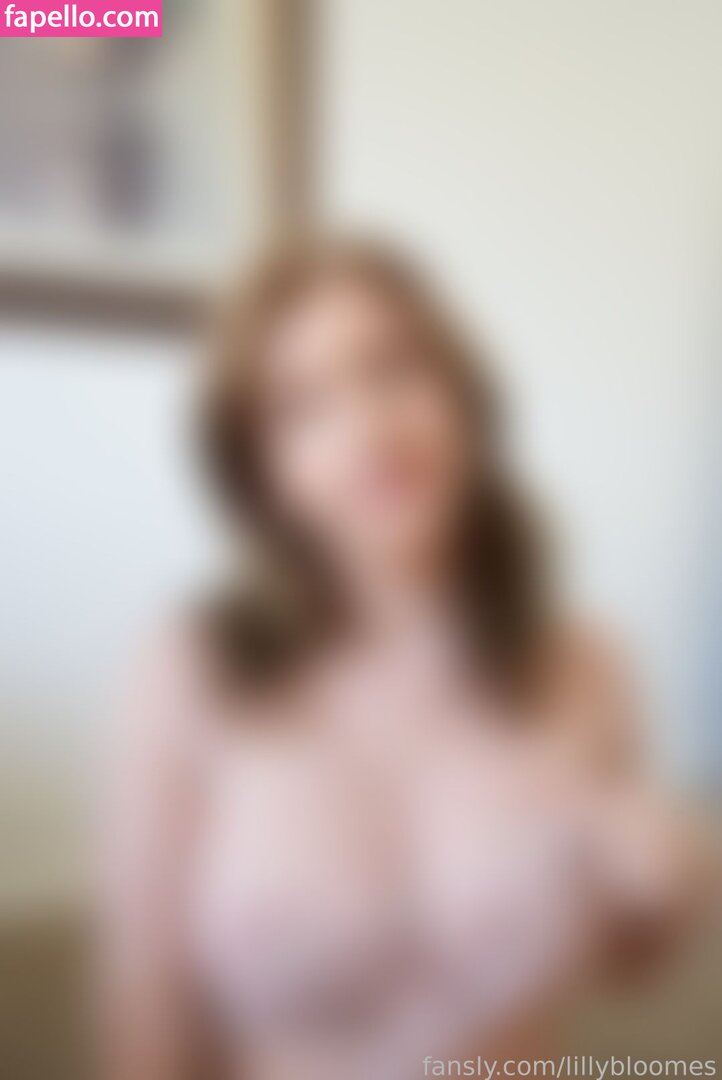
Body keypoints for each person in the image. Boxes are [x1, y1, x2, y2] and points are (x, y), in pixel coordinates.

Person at [100, 238, 702, 1080]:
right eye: (302, 408)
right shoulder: (190, 671)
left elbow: (627, 959)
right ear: (265, 474)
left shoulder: (586, 665)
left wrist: (670, 893)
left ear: (463, 395)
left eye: (395, 369)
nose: (370, 429)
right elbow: (148, 1024)